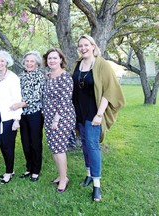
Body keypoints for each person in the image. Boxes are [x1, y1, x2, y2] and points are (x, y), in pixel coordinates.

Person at [71, 34, 125, 202]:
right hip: (79, 113)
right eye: (80, 45)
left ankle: (96, 185)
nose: (83, 48)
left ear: (93, 46)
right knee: (85, 145)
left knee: (93, 146)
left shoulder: (102, 64)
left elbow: (109, 91)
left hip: (94, 113)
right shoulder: (77, 64)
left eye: (86, 45)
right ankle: (88, 174)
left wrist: (99, 114)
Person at [42, 48, 76, 193]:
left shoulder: (65, 77)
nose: (52, 61)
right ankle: (61, 175)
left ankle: (64, 179)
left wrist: (56, 120)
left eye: (55, 58)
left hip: (61, 118)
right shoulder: (49, 76)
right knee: (54, 149)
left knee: (59, 149)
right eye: (49, 58)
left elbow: (64, 101)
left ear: (61, 60)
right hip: (49, 118)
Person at [10, 51, 45, 182]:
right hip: (22, 115)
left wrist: (20, 104)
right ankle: (29, 167)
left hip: (35, 113)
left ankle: (36, 170)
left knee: (35, 142)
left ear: (37, 64)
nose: (29, 63)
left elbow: (36, 97)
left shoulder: (40, 76)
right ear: (23, 63)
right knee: (25, 142)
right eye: (27, 61)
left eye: (32, 61)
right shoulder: (20, 76)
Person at [0, 50, 23, 184]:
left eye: (2, 60)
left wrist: (17, 119)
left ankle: (8, 172)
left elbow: (17, 98)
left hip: (9, 117)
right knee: (2, 144)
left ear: (7, 62)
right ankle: (10, 169)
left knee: (8, 145)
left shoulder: (13, 77)